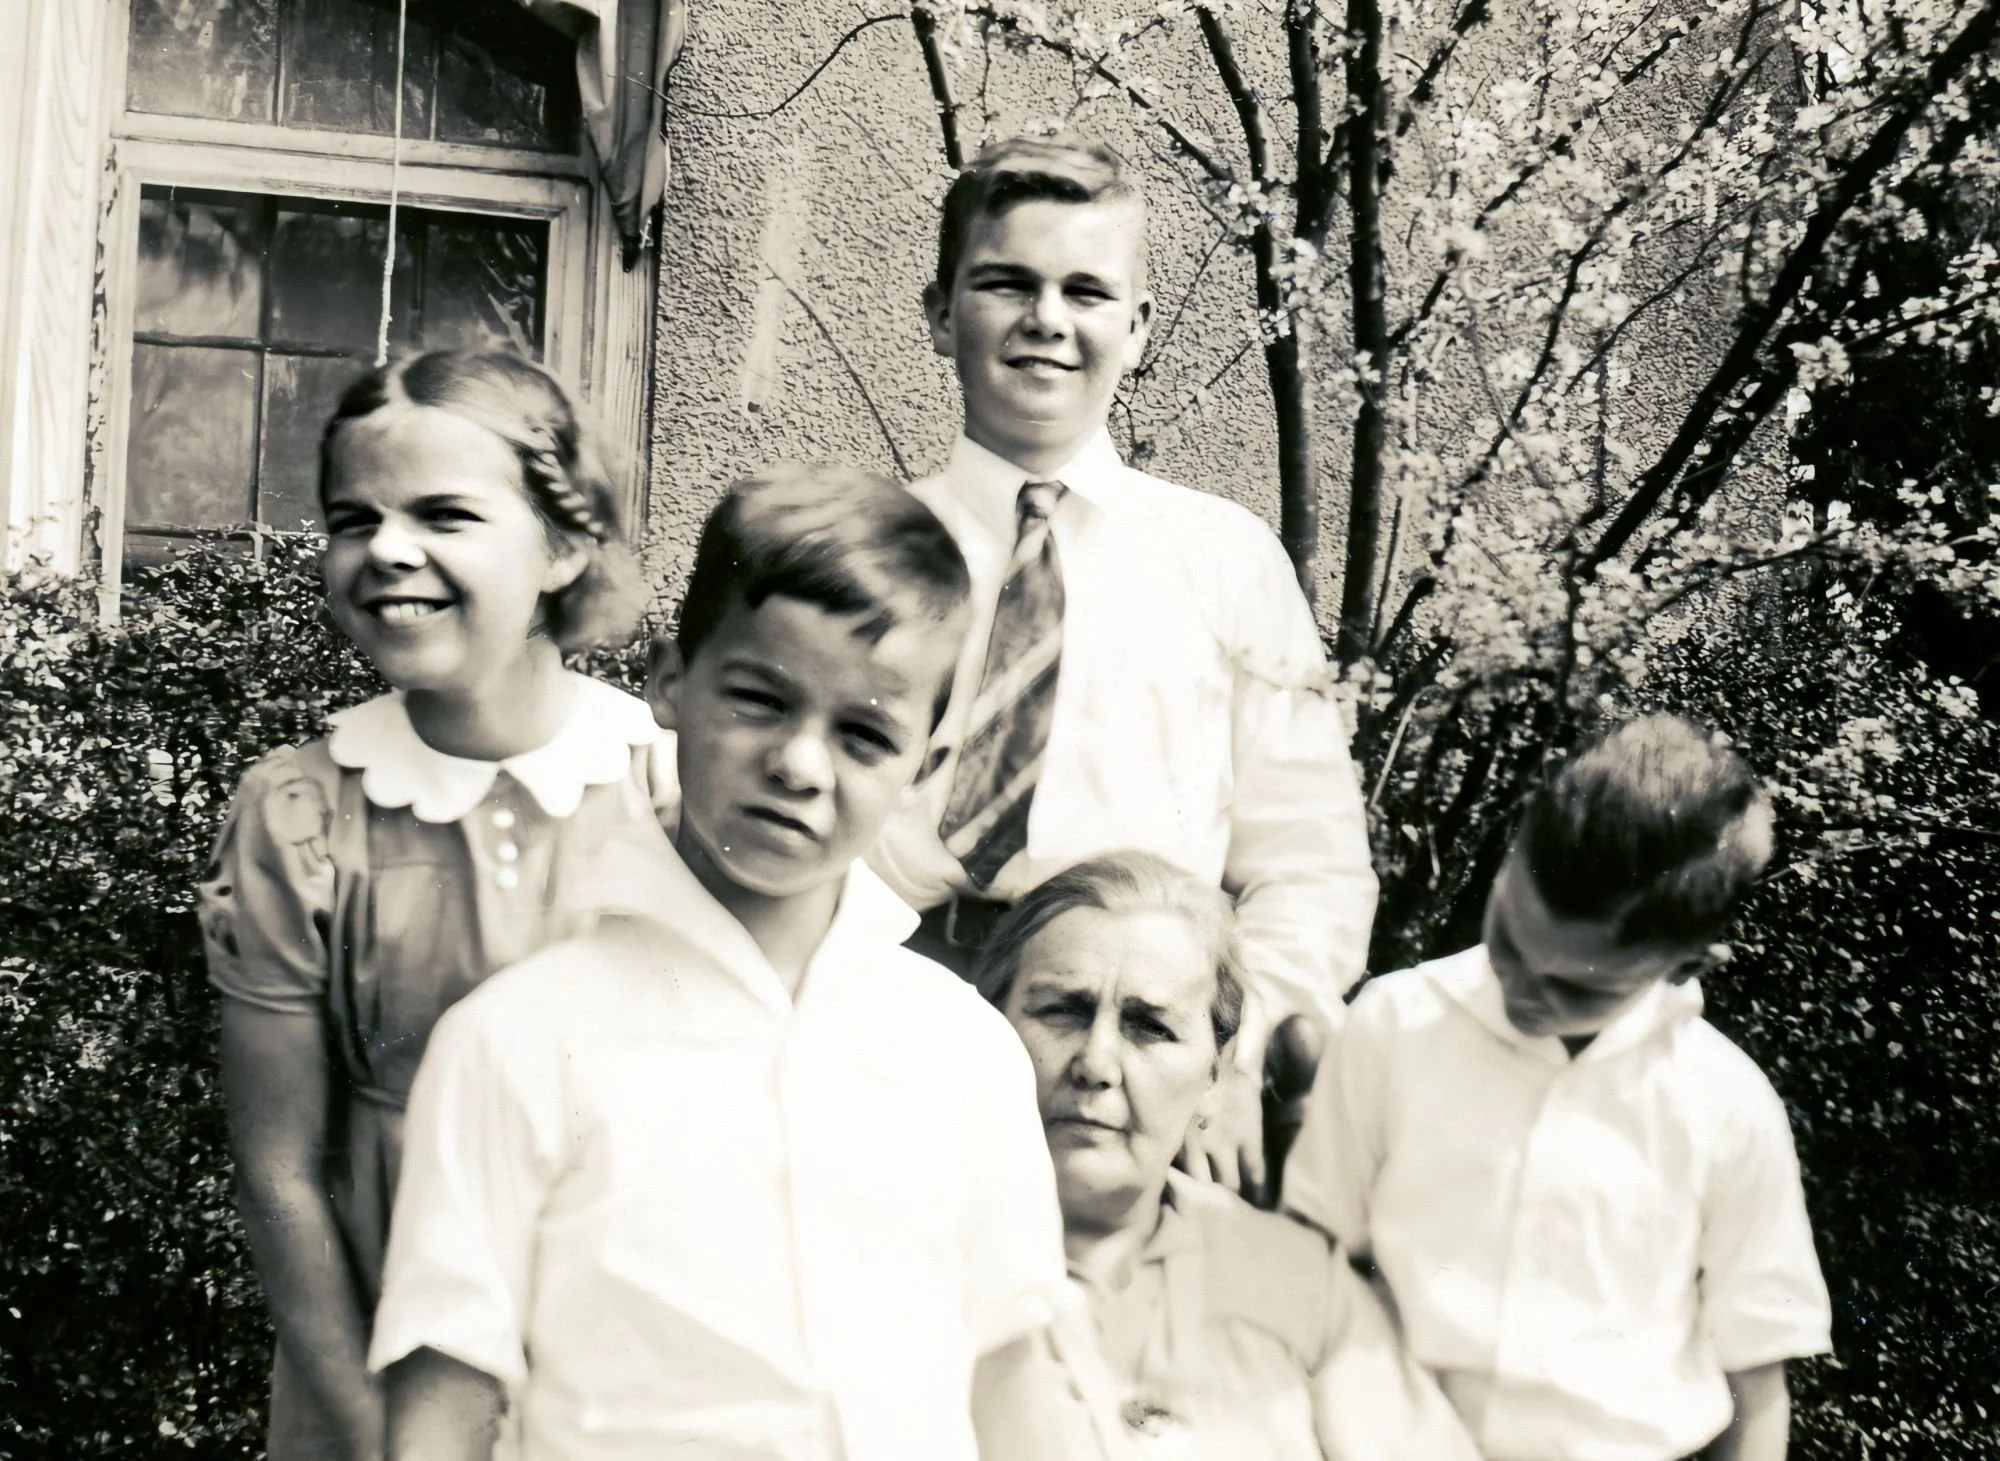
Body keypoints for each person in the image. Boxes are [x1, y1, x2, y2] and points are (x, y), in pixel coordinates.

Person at [368, 463, 1101, 1461]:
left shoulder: (962, 1050)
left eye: (863, 733)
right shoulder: (519, 1041)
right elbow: (443, 1408)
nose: (800, 766)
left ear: (925, 761)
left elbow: (1011, 1380)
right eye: (760, 699)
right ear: (669, 682)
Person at [872, 134, 1377, 1202]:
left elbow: (1308, 861)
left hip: (1141, 1038)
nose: (1044, 318)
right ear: (937, 311)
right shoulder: (865, 549)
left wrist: (1225, 1058)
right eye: (1004, 282)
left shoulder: (1222, 562)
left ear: (1136, 328)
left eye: (1085, 290)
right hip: (897, 994)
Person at [198, 350, 660, 1461]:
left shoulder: (669, 794)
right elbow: (280, 1169)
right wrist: (369, 1431)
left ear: (564, 542)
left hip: (630, 1368)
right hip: (380, 1362)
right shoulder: (300, 813)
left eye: (444, 514)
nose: (388, 549)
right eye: (354, 519)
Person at [1285, 715, 1834, 1461]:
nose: (1520, 988)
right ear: (1512, 858)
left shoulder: (1727, 1109)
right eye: (1509, 938)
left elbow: (1756, 1383)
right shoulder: (1392, 1026)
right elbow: (1310, 1261)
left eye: (1576, 989)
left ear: (1684, 963)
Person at [974, 851, 1480, 1460]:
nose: (1097, 1064)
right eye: (1062, 1011)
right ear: (984, 1026)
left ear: (1215, 1077)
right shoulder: (898, 1242)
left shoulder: (1303, 1286)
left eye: (1150, 1027)